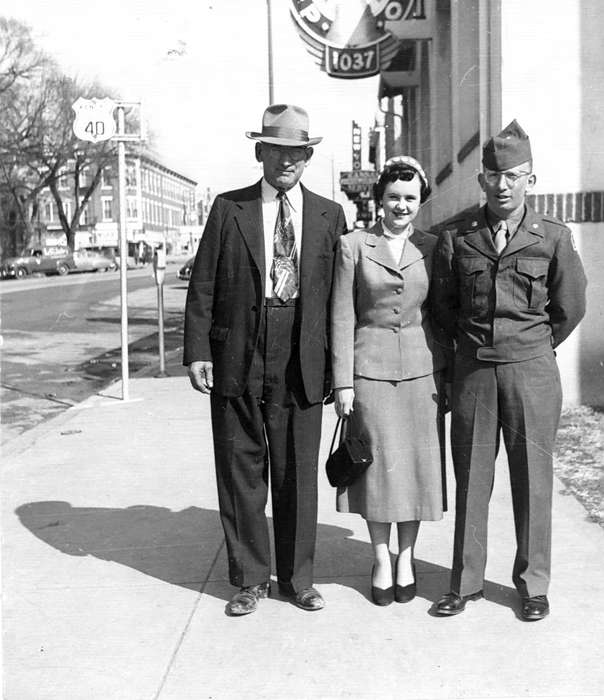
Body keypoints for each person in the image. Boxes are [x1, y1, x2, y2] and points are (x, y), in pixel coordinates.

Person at [183, 104, 347, 616]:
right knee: (241, 468)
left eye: (297, 152)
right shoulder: (228, 209)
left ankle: (299, 580)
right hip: (239, 352)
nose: (287, 161)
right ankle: (250, 579)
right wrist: (197, 352)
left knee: (297, 469)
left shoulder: (328, 214)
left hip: (302, 354)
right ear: (260, 152)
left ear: (308, 157)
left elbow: (342, 298)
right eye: (277, 150)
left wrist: (338, 368)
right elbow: (204, 283)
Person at [431, 120, 587, 621]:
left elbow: (569, 307)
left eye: (514, 176)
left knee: (533, 480)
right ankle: (466, 581)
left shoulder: (553, 238)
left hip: (531, 372)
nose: (504, 185)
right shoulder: (458, 235)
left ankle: (533, 584)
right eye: (494, 176)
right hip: (475, 370)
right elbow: (443, 308)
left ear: (530, 180)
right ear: (481, 180)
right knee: (472, 479)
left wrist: (533, 348)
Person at [331, 156, 449, 606]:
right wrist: (343, 383)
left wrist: (448, 376)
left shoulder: (433, 247)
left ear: (420, 203)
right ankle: (381, 556)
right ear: (379, 199)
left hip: (422, 375)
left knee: (416, 470)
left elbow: (439, 316)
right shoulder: (354, 246)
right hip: (370, 372)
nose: (402, 206)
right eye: (394, 198)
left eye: (410, 199)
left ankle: (407, 556)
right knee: (376, 469)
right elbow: (341, 315)